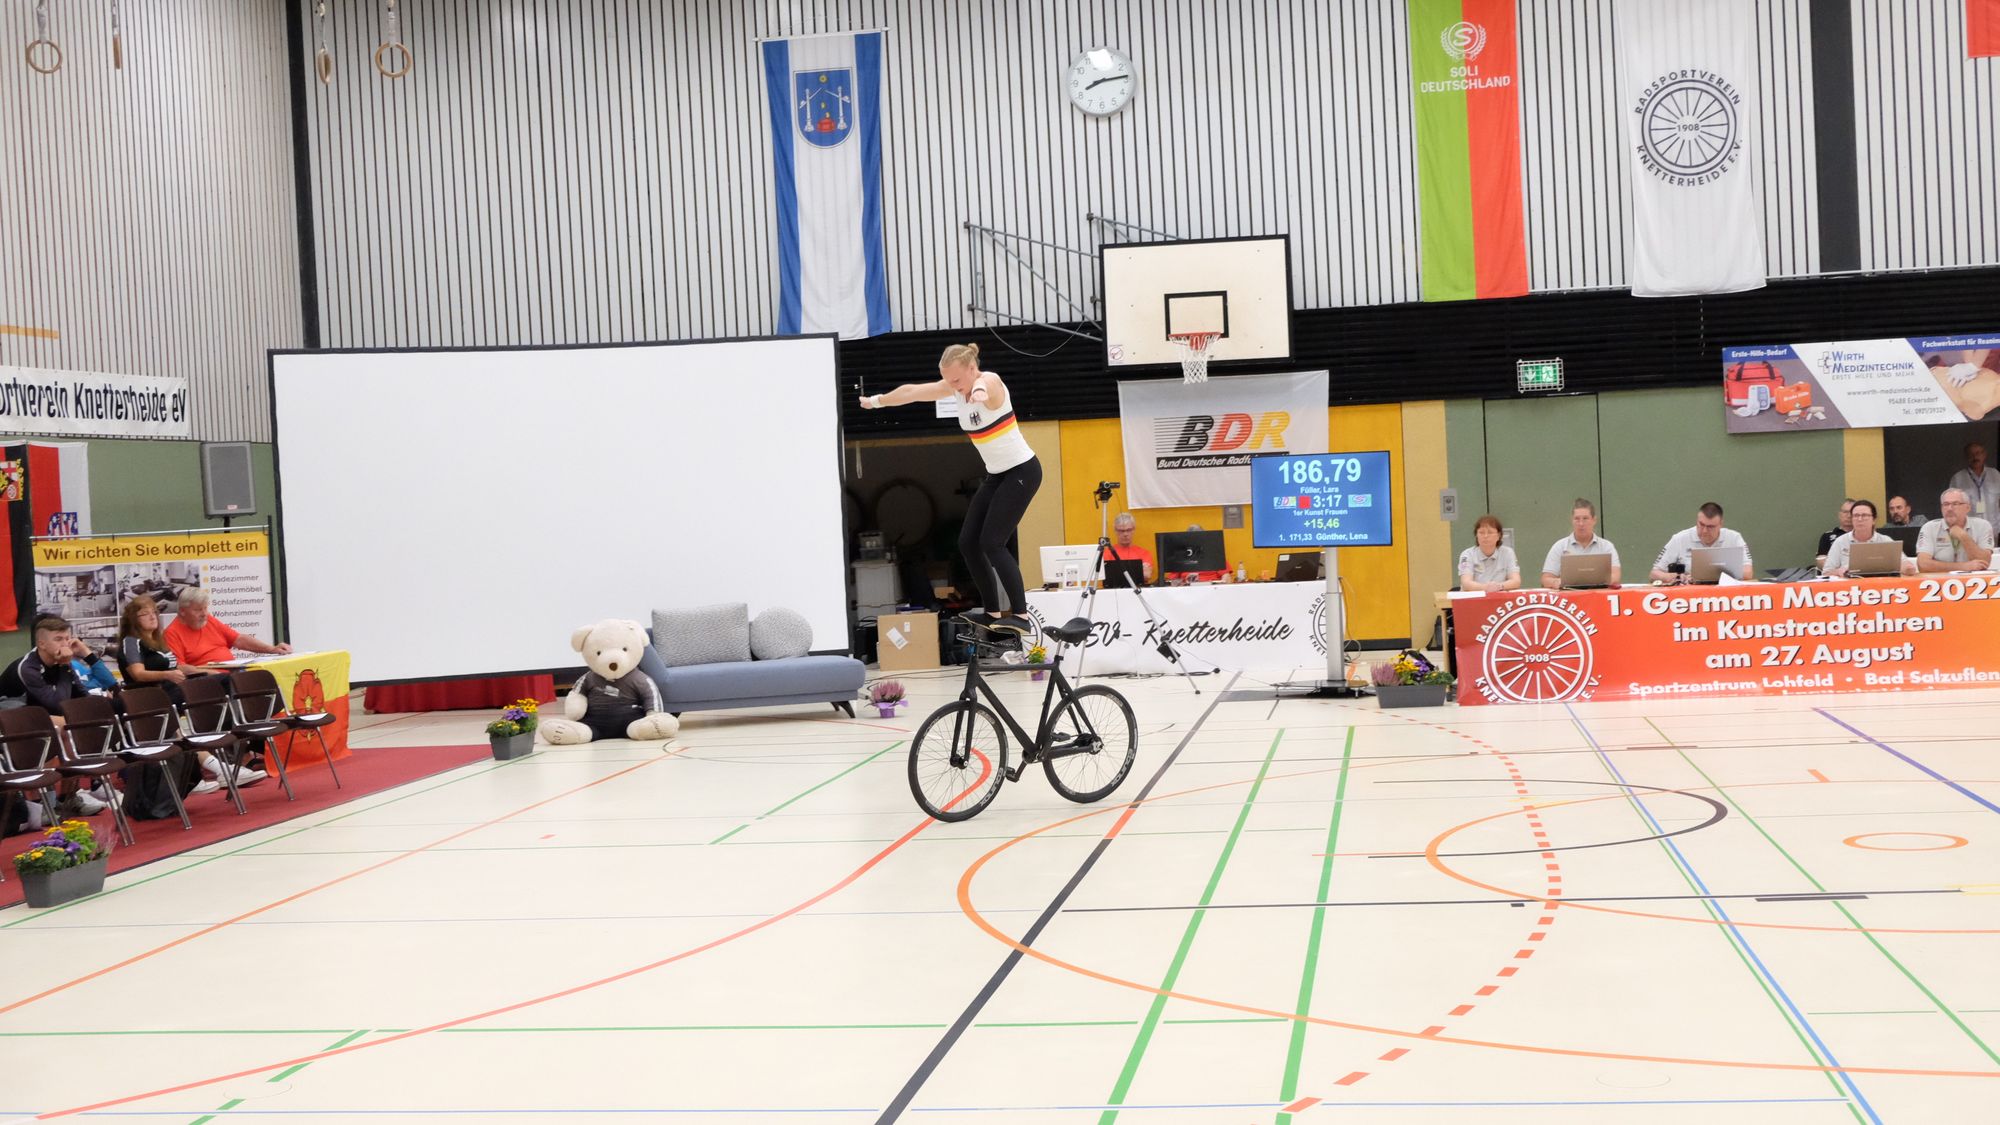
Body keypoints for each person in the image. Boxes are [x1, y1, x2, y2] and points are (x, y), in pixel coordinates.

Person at [860, 343, 1040, 634]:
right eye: (947, 380)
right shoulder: (956, 387)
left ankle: (1020, 615)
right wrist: (876, 401)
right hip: (997, 475)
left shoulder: (989, 381)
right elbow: (911, 392)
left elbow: (986, 384)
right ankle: (992, 612)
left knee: (992, 543)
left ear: (972, 367)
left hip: (1022, 471)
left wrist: (978, 391)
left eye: (956, 379)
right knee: (968, 543)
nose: (953, 386)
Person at [116, 596, 263, 793]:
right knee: (212, 693)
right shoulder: (132, 641)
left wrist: (208, 672)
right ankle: (221, 761)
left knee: (227, 681)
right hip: (150, 697)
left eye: (154, 613)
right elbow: (137, 673)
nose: (152, 617)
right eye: (145, 614)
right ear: (134, 619)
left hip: (171, 690)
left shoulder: (158, 642)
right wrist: (167, 674)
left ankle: (229, 738)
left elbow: (177, 668)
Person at [0, 616, 114, 813]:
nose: (65, 644)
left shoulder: (62, 663)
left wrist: (91, 710)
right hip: (10, 716)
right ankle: (43, 804)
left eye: (67, 638)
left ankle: (69, 797)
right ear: (41, 644)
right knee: (63, 728)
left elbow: (81, 696)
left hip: (39, 713)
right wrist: (65, 665)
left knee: (80, 723)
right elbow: (57, 704)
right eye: (58, 639)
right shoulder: (28, 668)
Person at [162, 586, 292, 666]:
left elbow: (239, 640)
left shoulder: (209, 620)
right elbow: (180, 668)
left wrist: (272, 649)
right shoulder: (172, 633)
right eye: (198, 610)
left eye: (205, 608)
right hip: (208, 682)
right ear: (182, 611)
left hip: (231, 673)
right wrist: (207, 672)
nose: (204, 614)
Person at [1650, 502, 1753, 584]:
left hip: (1725, 596)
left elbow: (1748, 572)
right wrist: (1675, 577)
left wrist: (1706, 575)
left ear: (1721, 524)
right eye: (1701, 524)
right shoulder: (1680, 539)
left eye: (1710, 527)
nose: (1704, 531)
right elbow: (1654, 574)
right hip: (1689, 596)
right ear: (1697, 520)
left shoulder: (1734, 538)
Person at [1823, 499, 1917, 577]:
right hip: (1849, 589)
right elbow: (1826, 573)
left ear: (1874, 520)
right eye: (1856, 516)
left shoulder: (1885, 541)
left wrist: (1907, 568)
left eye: (1864, 515)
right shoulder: (1840, 542)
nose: (1860, 519)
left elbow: (1906, 566)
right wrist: (1839, 571)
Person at [1541, 499, 1620, 589]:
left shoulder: (1606, 547)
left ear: (1594, 520)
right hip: (1568, 596)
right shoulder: (1559, 547)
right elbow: (1545, 579)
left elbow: (1616, 577)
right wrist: (1556, 582)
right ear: (1572, 520)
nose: (1581, 523)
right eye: (1577, 519)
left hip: (1599, 595)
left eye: (1585, 519)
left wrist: (1589, 581)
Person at [1915, 488, 1995, 573]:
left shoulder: (1983, 525)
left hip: (1972, 579)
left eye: (1955, 504)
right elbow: (1922, 565)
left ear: (1967, 508)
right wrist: (1963, 566)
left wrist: (1963, 536)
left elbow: (1984, 562)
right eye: (1946, 504)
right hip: (1940, 579)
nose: (1949, 508)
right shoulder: (1929, 527)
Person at [1457, 515, 1520, 592]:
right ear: (1476, 535)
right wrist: (1485, 588)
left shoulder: (1508, 553)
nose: (1485, 536)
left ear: (1499, 535)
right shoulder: (1467, 554)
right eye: (1481, 532)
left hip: (1499, 596)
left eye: (1490, 532)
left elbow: (1516, 581)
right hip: (1474, 597)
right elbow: (1466, 583)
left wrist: (1499, 586)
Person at [1948, 443, 2000, 521]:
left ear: (1984, 455)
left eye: (1978, 453)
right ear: (1966, 457)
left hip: (1994, 525)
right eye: (1971, 454)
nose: (1975, 457)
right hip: (1970, 526)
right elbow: (1953, 506)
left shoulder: (1996, 474)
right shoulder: (1957, 478)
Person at [1106, 513, 1155, 583]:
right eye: (1121, 531)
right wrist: (1138, 572)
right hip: (1114, 588)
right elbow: (1105, 577)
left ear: (1133, 530)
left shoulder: (1144, 553)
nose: (1125, 534)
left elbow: (1147, 575)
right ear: (1115, 531)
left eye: (1128, 530)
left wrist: (1117, 573)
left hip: (1138, 588)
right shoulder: (1107, 553)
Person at [1816, 498, 1854, 563]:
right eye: (1845, 512)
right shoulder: (1827, 536)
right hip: (1835, 568)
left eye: (1852, 512)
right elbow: (1820, 560)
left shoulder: (1865, 535)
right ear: (1839, 515)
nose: (1849, 516)